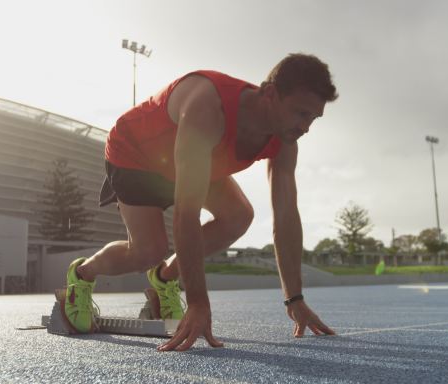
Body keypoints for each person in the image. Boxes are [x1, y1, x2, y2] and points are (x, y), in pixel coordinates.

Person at [63, 53, 338, 351]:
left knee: (238, 215)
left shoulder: (285, 140)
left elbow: (286, 215)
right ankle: (81, 275)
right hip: (138, 155)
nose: (306, 126)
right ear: (270, 93)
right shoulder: (208, 106)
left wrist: (294, 298)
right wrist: (197, 302)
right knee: (148, 250)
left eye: (313, 117)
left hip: (200, 159)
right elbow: (186, 212)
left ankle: (164, 278)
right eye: (300, 113)